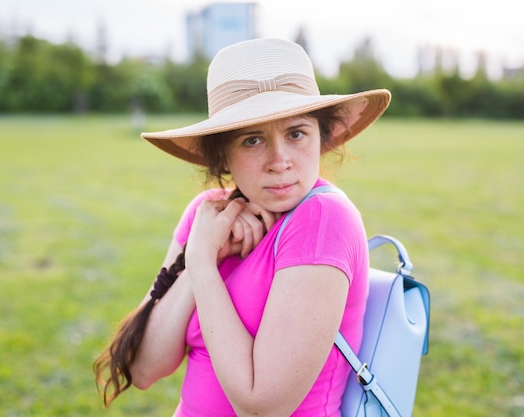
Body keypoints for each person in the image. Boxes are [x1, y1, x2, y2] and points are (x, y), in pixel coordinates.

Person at [93, 38, 391, 416]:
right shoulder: (208, 215)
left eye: (296, 133)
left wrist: (201, 266)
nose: (280, 160)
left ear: (322, 138)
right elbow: (144, 368)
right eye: (253, 140)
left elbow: (260, 406)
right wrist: (201, 257)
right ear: (223, 155)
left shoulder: (322, 220)